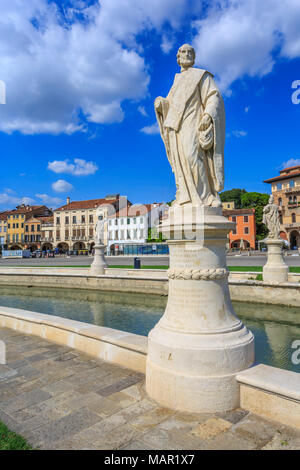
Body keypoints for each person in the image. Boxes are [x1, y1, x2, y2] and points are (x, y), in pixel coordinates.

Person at [155, 44, 225, 207]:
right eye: (183, 52)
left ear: (194, 57)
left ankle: (205, 196)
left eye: (190, 52)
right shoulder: (176, 80)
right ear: (178, 57)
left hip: (193, 121)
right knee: (179, 161)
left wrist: (208, 114)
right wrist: (162, 104)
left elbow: (214, 96)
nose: (187, 54)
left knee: (193, 156)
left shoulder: (201, 76)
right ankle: (185, 197)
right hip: (175, 126)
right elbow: (172, 103)